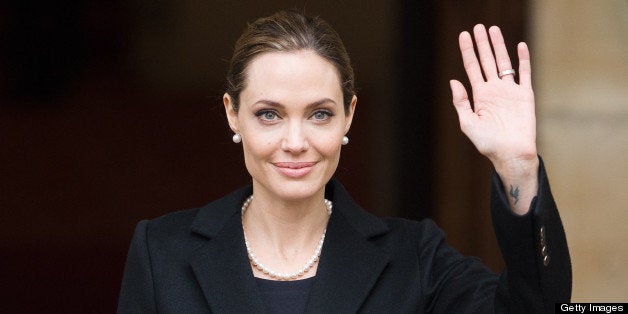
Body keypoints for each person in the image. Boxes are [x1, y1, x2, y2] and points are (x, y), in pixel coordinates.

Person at [117, 10, 571, 313]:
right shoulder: (162, 252)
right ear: (232, 114)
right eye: (269, 114)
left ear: (349, 115)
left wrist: (518, 165)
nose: (295, 142)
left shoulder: (414, 257)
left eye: (320, 114)